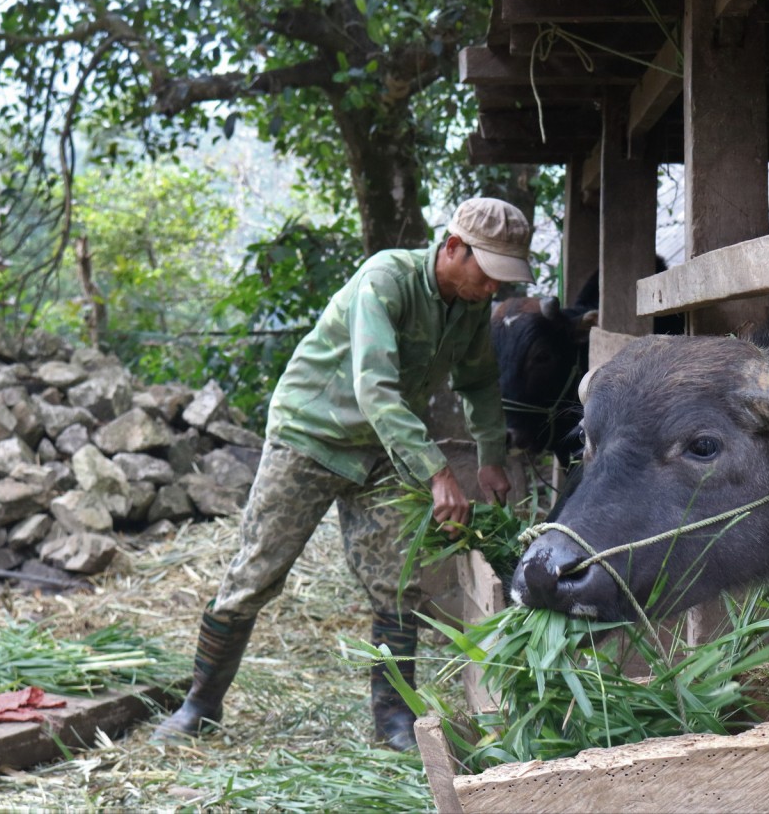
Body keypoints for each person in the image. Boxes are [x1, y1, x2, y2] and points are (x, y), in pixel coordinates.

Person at [152, 197, 532, 751]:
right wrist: (436, 472)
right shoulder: (385, 280)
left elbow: (476, 382)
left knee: (397, 581)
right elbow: (373, 387)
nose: (494, 288)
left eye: (505, 277)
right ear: (453, 248)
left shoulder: (470, 306)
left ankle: (395, 719)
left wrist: (491, 455)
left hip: (380, 449)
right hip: (310, 436)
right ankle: (199, 704)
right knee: (255, 574)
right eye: (489, 272)